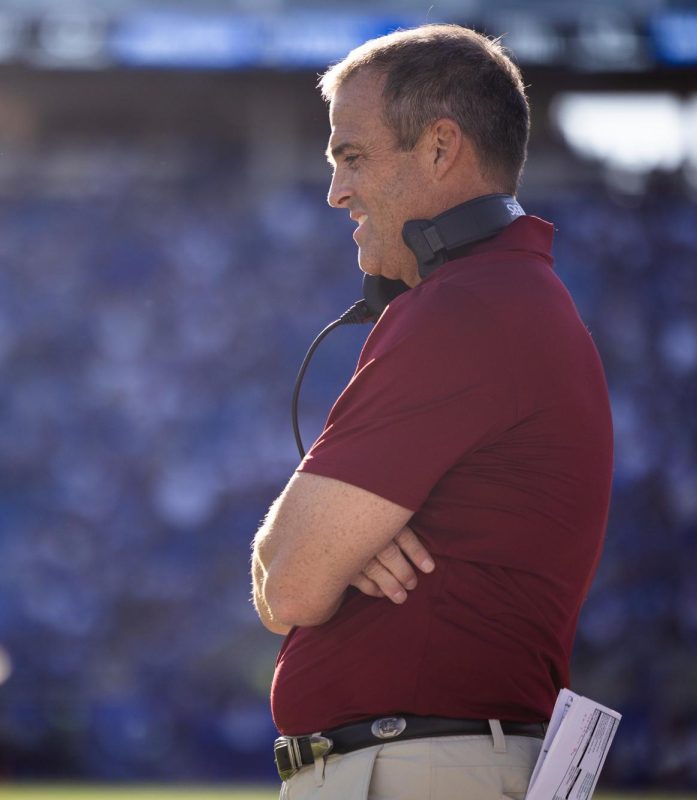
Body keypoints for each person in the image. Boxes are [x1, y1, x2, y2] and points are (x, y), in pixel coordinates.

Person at [250, 24, 614, 799]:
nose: (335, 192)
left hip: (420, 768)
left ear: (441, 148)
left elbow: (288, 588)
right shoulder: (513, 299)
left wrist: (325, 544)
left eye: (352, 157)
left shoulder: (461, 309)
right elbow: (298, 571)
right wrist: (333, 542)